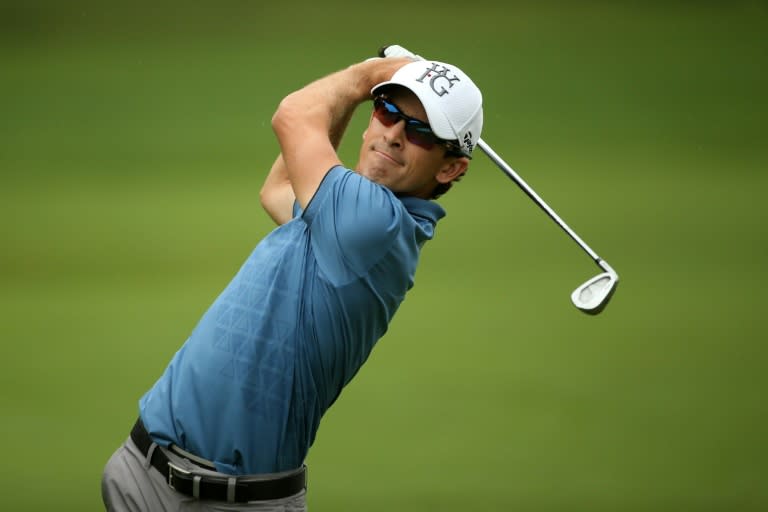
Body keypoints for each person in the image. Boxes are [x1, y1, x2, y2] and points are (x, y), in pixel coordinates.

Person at [101, 52, 484, 511]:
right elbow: (279, 190)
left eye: (420, 131)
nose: (395, 135)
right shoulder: (347, 213)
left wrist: (369, 77)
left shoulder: (373, 224)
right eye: (388, 111)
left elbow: (294, 116)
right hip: (143, 471)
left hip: (235, 502)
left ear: (450, 168)